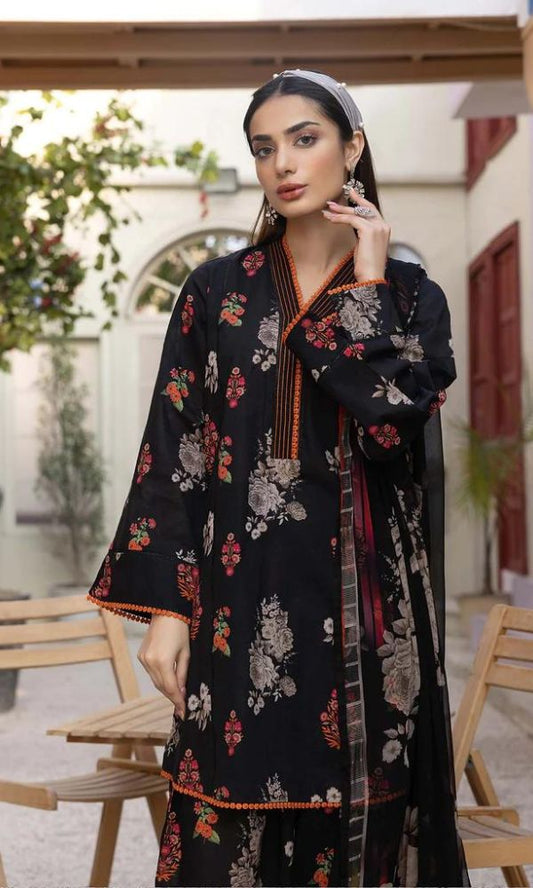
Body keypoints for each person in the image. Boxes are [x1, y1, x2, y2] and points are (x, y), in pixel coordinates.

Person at [86, 68, 471, 888]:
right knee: (223, 816)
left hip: (363, 618)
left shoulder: (410, 298)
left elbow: (388, 432)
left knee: (359, 824)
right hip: (237, 606)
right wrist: (167, 610)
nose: (282, 164)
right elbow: (175, 450)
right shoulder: (215, 292)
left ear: (351, 148)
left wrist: (368, 281)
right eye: (264, 148)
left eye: (304, 139)